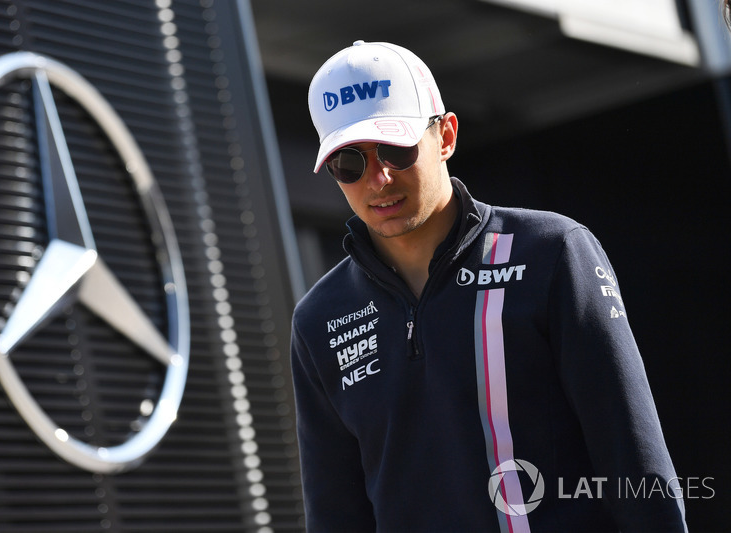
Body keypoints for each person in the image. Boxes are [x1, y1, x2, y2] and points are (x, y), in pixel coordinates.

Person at [290, 40, 687, 532]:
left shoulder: (551, 252)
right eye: (349, 163)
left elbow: (636, 464)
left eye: (396, 148)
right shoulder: (319, 319)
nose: (379, 178)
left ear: (446, 136)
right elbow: (335, 516)